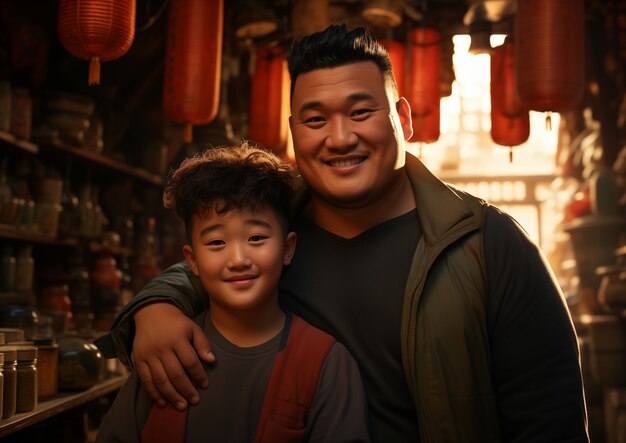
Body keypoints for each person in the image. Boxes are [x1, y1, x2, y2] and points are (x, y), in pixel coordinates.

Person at [96, 25, 589, 442]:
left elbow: (551, 419)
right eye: (316, 120)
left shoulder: (486, 244)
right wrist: (154, 308)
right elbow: (206, 266)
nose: (339, 138)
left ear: (404, 119)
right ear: (294, 131)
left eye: (360, 112)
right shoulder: (270, 234)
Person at [95, 143, 369, 442]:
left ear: (288, 248)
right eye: (216, 243)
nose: (238, 259)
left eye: (256, 237)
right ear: (193, 260)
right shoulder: (167, 352)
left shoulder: (326, 363)